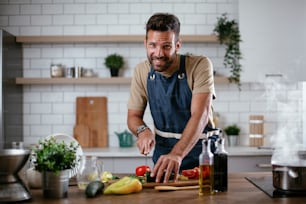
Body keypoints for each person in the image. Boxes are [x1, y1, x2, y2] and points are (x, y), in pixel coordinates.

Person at [127, 13, 216, 183]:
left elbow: (201, 115)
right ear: (145, 44)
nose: (158, 53)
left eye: (166, 46)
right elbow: (133, 117)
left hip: (202, 155)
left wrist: (177, 154)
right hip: (163, 157)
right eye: (152, 45)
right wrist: (142, 131)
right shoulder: (141, 71)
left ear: (177, 45)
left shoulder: (200, 65)